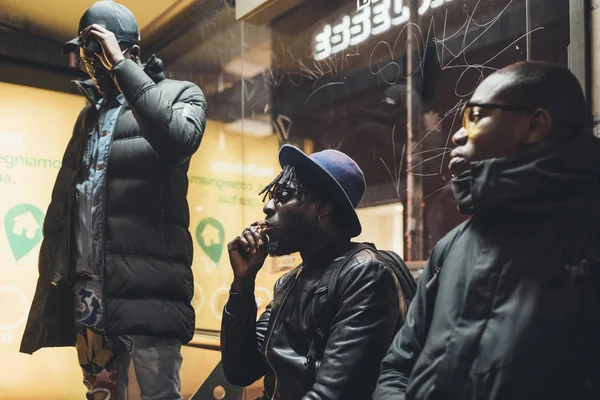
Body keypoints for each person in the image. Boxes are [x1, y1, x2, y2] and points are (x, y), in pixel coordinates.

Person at [373, 61, 600, 400]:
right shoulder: (452, 247)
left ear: (535, 125)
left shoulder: (587, 231)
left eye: (475, 116)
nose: (458, 133)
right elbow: (396, 369)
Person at [20, 1, 207, 399]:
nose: (89, 61)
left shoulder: (179, 95)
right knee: (100, 395)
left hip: (145, 295)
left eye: (96, 48)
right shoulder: (90, 116)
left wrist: (120, 64)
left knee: (156, 395)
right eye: (84, 51)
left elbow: (176, 142)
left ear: (132, 52)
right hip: (89, 296)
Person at [221, 145, 404, 399]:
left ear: (323, 208)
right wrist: (243, 282)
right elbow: (240, 370)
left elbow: (333, 393)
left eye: (283, 195)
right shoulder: (291, 280)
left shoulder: (365, 275)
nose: (268, 206)